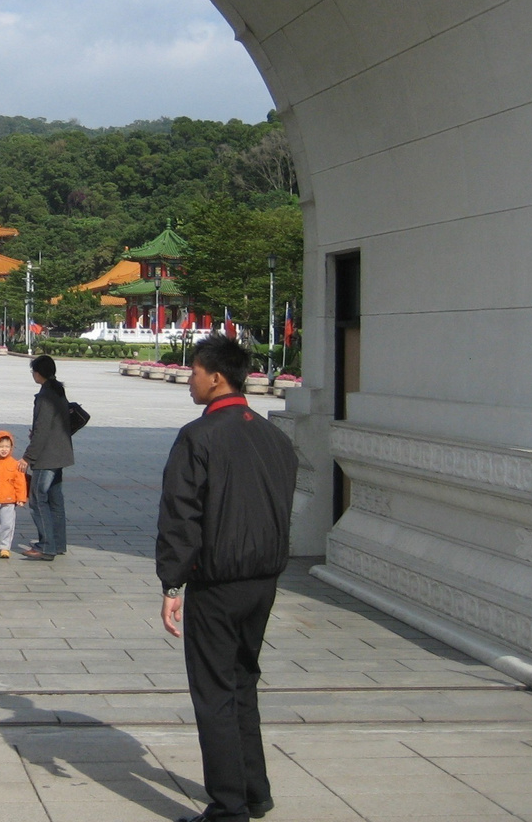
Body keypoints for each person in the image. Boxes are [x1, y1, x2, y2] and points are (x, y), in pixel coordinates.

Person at [158, 335, 296, 822]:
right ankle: (254, 792)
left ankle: (227, 808)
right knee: (242, 682)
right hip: (264, 578)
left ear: (216, 376)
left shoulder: (199, 436)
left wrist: (172, 584)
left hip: (217, 582)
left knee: (215, 690)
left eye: (194, 371)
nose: (189, 379)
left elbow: (181, 515)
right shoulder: (273, 436)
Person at [18, 354, 74, 561]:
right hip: (61, 452)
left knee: (38, 499)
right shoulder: (57, 390)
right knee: (55, 500)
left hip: (47, 456)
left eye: (33, 370)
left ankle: (46, 545)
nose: (33, 374)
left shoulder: (45, 397)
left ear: (38, 372)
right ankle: (58, 543)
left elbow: (41, 430)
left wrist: (28, 458)